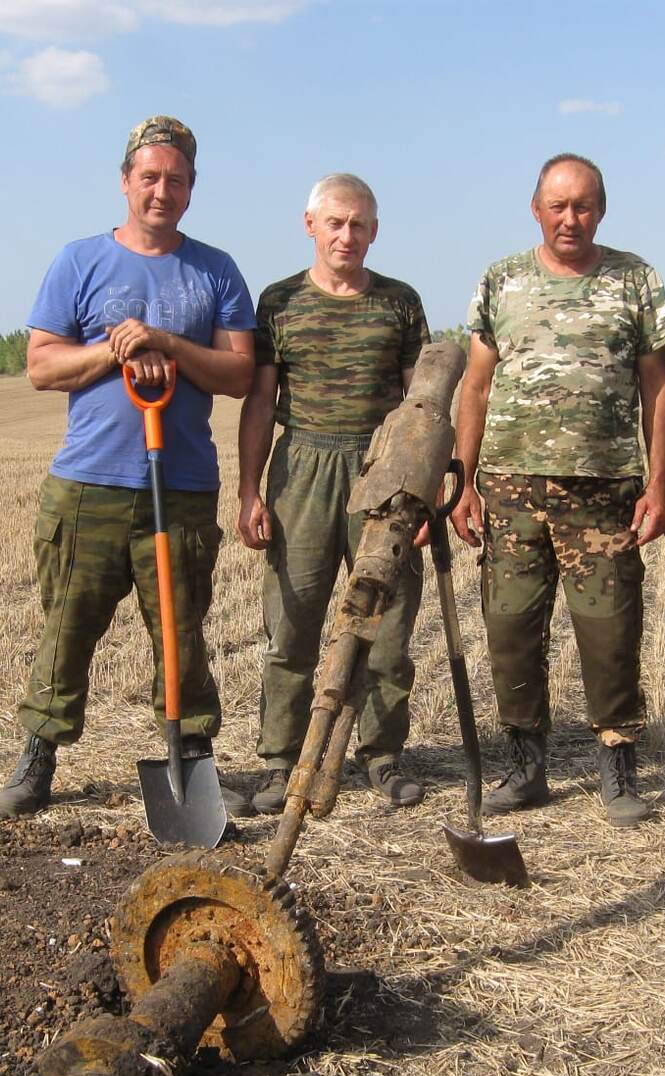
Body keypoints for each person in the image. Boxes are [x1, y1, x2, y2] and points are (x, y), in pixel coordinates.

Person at [0, 115, 256, 819]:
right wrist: (115, 350)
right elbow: (42, 368)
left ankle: (194, 761)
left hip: (184, 484)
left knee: (182, 631)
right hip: (89, 484)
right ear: (125, 181)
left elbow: (237, 372)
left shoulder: (216, 269)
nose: (161, 190)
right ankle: (39, 753)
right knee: (67, 627)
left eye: (175, 179)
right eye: (149, 177)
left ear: (192, 188)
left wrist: (167, 342)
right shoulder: (78, 262)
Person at [450, 153, 665, 827]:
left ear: (599, 210)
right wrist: (462, 483)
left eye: (582, 205)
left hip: (603, 491)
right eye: (557, 205)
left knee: (609, 633)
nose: (569, 218)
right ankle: (524, 767)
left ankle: (616, 763)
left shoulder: (633, 279)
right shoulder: (502, 280)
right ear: (535, 210)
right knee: (511, 628)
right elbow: (476, 386)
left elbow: (658, 387)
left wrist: (662, 481)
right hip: (510, 489)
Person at [238, 173, 431, 813]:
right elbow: (261, 402)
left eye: (360, 225)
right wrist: (249, 491)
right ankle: (279, 759)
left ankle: (381, 755)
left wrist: (421, 492)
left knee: (390, 620)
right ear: (311, 225)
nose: (347, 235)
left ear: (375, 231)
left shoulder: (400, 302)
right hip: (303, 466)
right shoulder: (279, 301)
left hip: (382, 470)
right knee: (290, 622)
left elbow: (421, 406)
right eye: (336, 222)